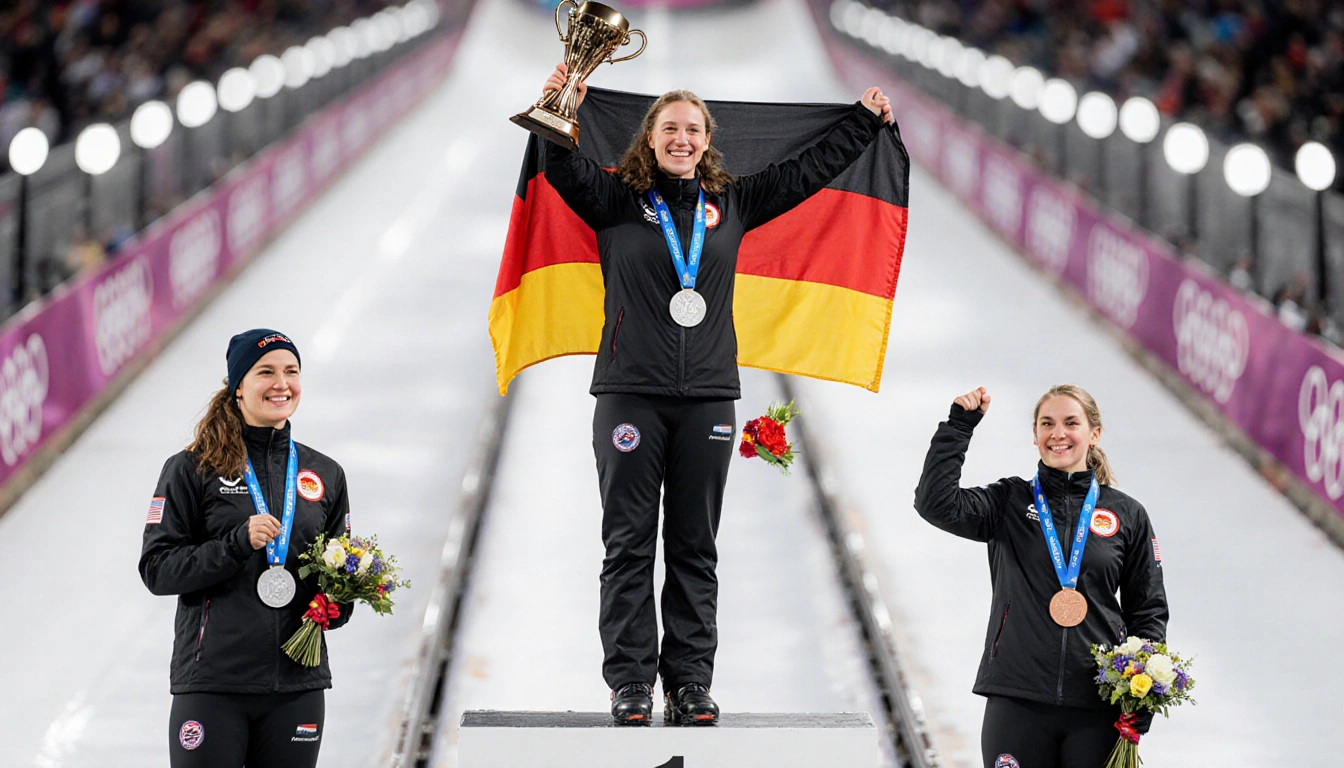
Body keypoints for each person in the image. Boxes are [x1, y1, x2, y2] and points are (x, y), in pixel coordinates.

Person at [538, 63, 894, 726]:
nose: (681, 138)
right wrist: (559, 103)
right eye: (669, 127)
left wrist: (862, 123)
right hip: (630, 396)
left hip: (707, 398)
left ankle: (691, 682)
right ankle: (631, 683)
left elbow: (807, 173)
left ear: (707, 141)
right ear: (649, 138)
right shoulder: (616, 200)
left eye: (692, 129)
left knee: (696, 546)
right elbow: (560, 165)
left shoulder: (732, 203)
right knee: (629, 545)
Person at [914, 385, 1169, 767]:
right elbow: (935, 503)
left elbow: (1147, 610)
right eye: (1047, 424)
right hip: (1017, 699)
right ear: (1034, 436)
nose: (1058, 434)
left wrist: (1142, 691)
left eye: (1071, 423)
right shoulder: (1009, 502)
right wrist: (958, 427)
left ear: (1093, 433)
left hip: (1096, 706)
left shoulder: (1127, 515)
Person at [139, 329, 353, 768]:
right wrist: (235, 544)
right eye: (266, 372)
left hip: (296, 687)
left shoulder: (324, 474)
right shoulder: (192, 468)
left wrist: (339, 601)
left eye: (291, 371)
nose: (281, 384)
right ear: (238, 386)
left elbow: (340, 575)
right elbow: (158, 570)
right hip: (213, 685)